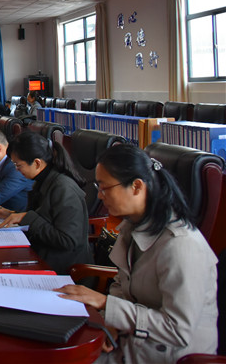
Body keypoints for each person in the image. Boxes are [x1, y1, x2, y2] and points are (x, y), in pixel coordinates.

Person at [56, 144, 217, 363]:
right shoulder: (133, 226)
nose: (100, 196)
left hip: (167, 356)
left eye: (105, 188)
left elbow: (178, 330)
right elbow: (121, 285)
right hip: (132, 341)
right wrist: (111, 323)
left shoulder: (182, 246)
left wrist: (107, 305)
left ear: (137, 186)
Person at [0, 130, 90, 274]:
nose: (16, 169)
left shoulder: (63, 188)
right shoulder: (43, 180)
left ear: (37, 163)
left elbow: (68, 241)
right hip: (41, 254)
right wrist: (11, 214)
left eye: (18, 165)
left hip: (64, 269)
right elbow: (42, 217)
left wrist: (25, 217)